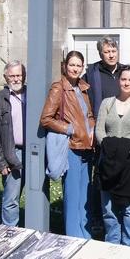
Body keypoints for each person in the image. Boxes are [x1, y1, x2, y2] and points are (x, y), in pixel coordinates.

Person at [82, 36, 130, 235]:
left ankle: (127, 233)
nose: (111, 55)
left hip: (128, 144)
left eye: (113, 51)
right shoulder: (92, 74)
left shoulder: (126, 73)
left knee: (127, 190)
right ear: (100, 54)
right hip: (104, 140)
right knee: (102, 183)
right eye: (107, 51)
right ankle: (99, 219)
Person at [40, 51, 96, 238]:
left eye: (79, 65)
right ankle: (74, 236)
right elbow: (46, 119)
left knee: (84, 195)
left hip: (87, 147)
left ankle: (85, 234)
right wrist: (69, 129)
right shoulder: (59, 88)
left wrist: (92, 128)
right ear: (65, 66)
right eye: (72, 65)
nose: (75, 69)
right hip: (71, 147)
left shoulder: (83, 87)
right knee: (72, 195)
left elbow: (88, 115)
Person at [94, 66, 130, 247]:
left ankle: (129, 246)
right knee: (108, 207)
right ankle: (112, 244)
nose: (126, 83)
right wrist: (111, 151)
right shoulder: (107, 103)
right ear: (119, 80)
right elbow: (99, 131)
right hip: (108, 160)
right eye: (123, 79)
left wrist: (123, 151)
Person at [0, 61, 27, 226]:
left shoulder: (33, 96)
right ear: (5, 77)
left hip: (33, 153)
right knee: (11, 198)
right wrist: (0, 163)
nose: (16, 79)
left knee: (37, 194)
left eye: (19, 75)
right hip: (12, 154)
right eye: (12, 76)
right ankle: (10, 232)